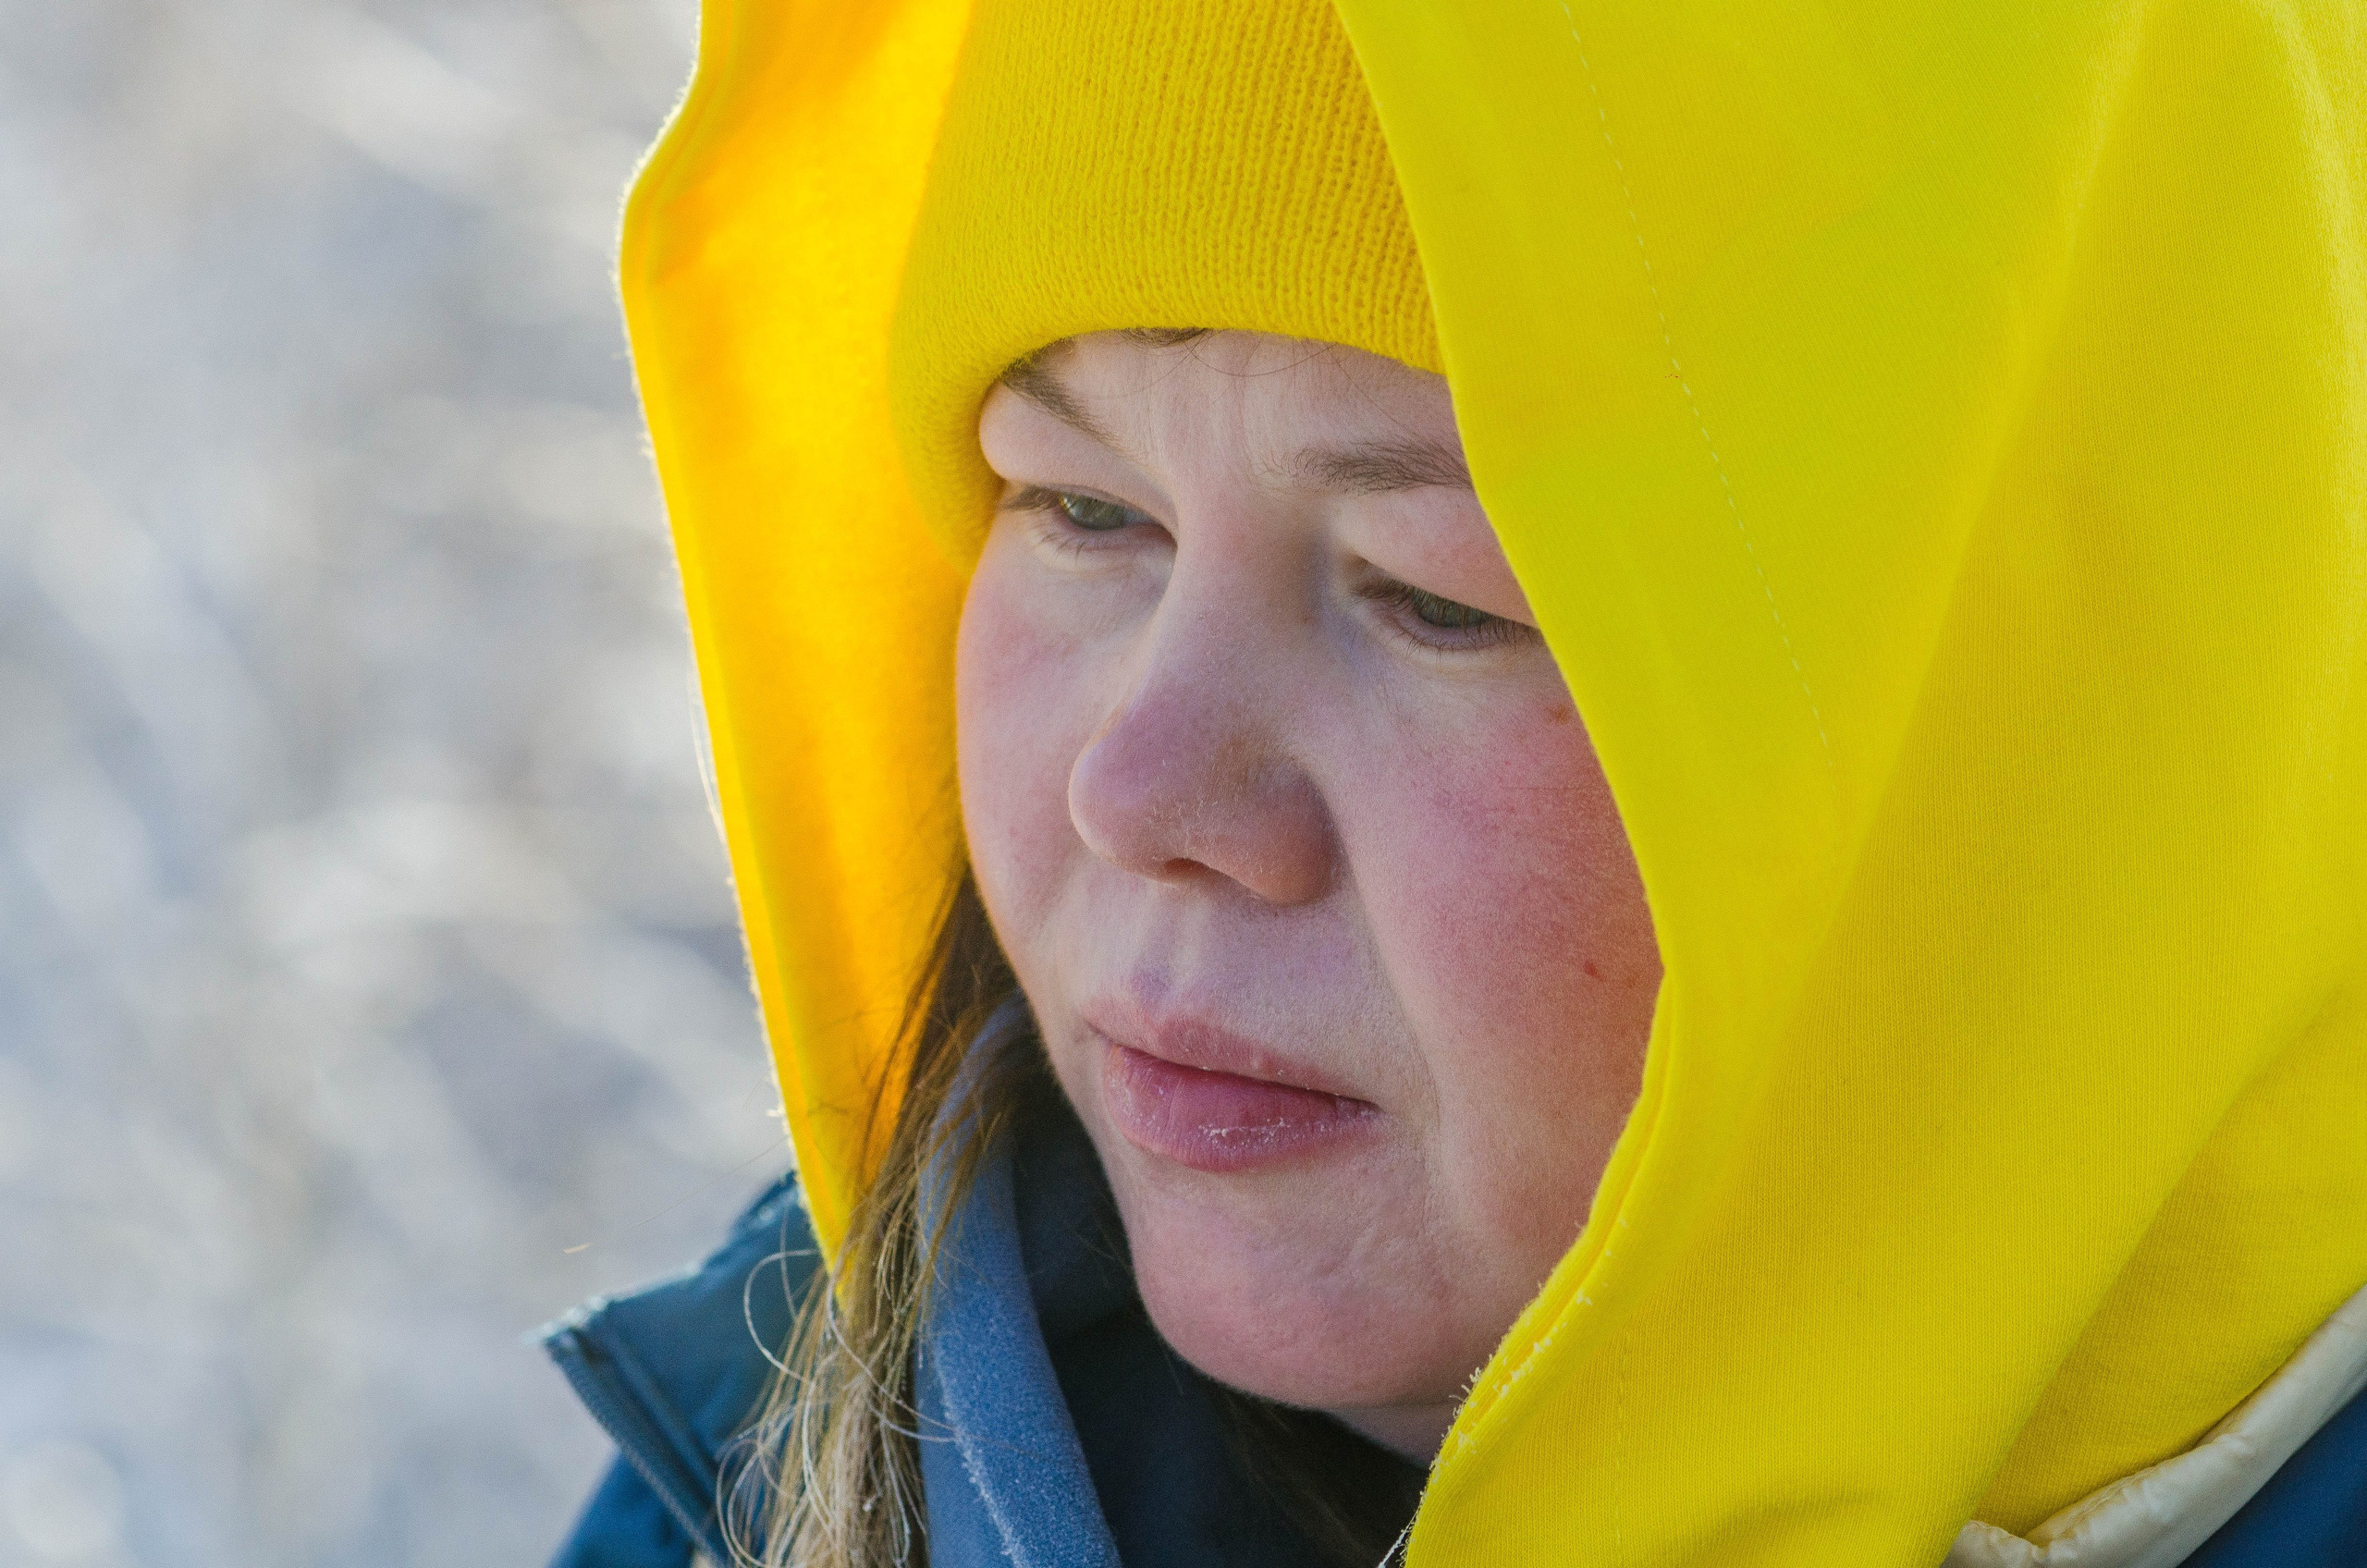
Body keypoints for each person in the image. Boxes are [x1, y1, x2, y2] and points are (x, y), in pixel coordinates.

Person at [537, 1, 2367, 1564]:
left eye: (1437, 597)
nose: (1143, 785)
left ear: (2021, 736)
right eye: (1083, 509)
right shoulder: (790, 1456)